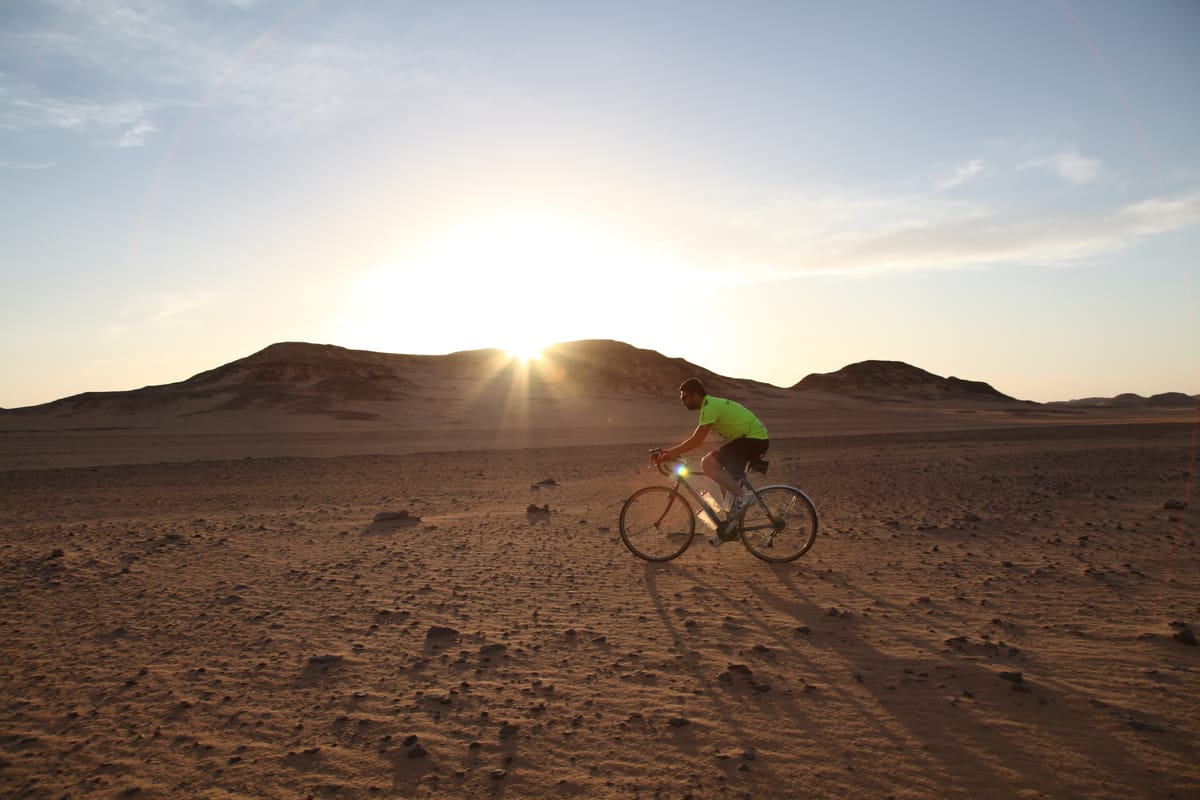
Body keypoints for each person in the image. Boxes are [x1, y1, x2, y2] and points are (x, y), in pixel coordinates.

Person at [654, 378, 769, 538]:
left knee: (707, 464)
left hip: (753, 440)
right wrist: (674, 452)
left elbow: (697, 440)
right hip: (749, 440)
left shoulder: (710, 407)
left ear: (695, 396)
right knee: (723, 478)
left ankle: (744, 498)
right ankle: (731, 530)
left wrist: (669, 453)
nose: (682, 401)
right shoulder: (709, 406)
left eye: (684, 397)